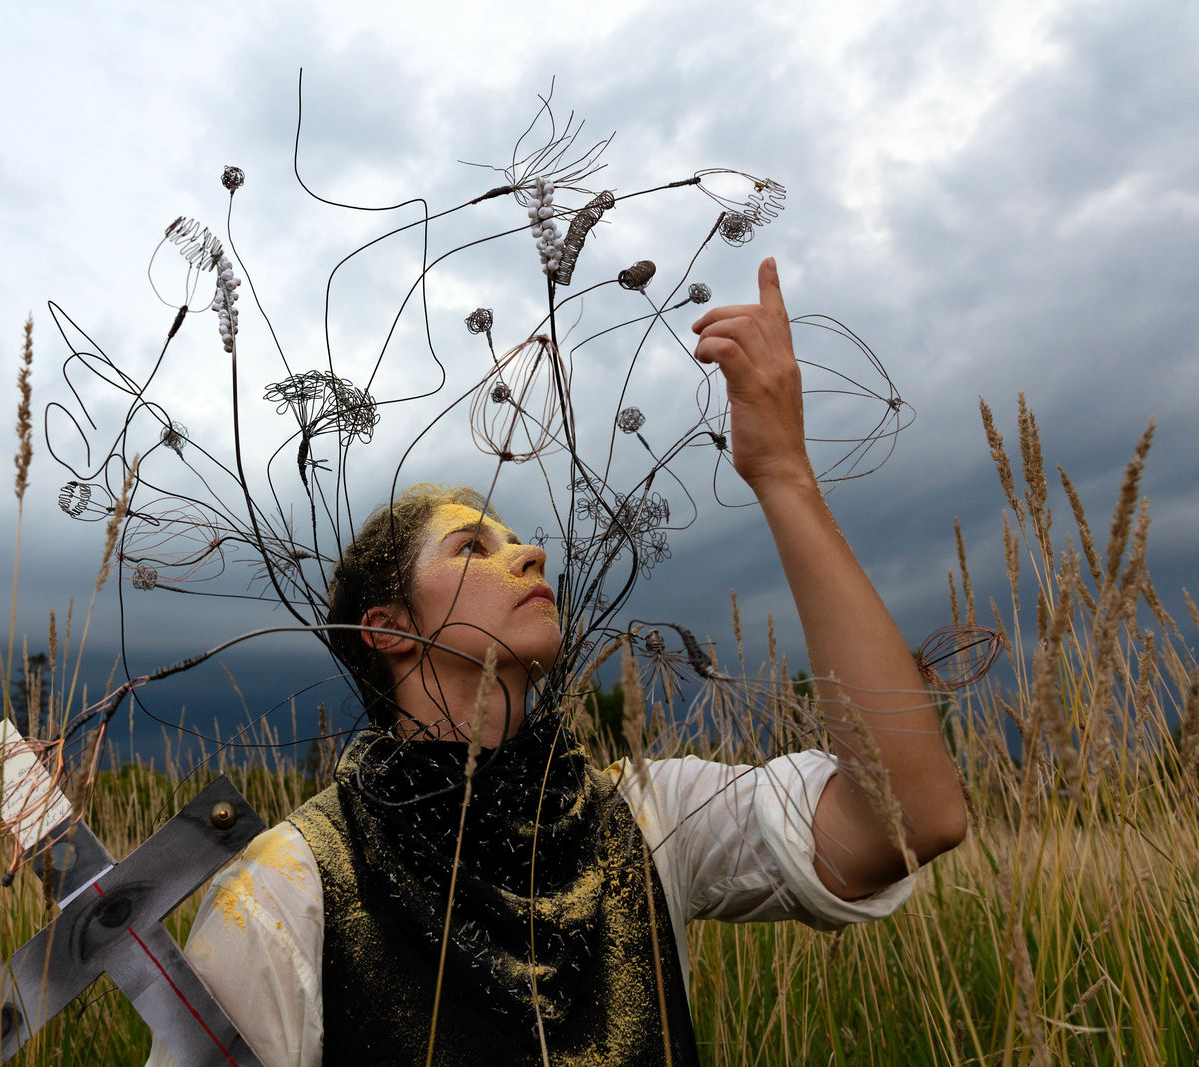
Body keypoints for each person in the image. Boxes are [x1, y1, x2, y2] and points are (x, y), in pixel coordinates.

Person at [146, 258, 968, 1066]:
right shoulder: (292, 883)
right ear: (390, 628)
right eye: (474, 545)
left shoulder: (649, 815)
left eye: (519, 537)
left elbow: (910, 820)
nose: (531, 551)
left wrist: (784, 472)